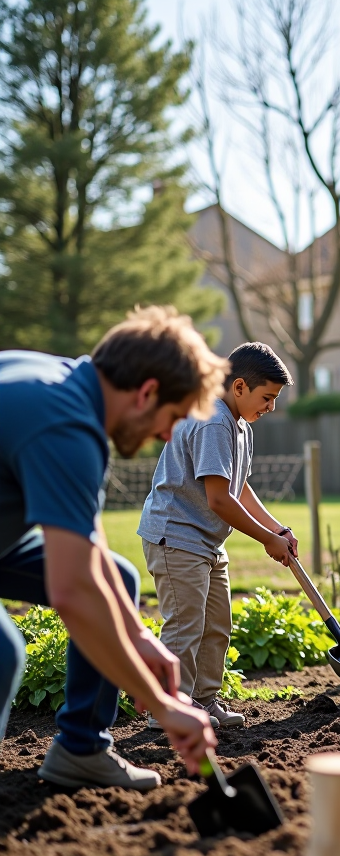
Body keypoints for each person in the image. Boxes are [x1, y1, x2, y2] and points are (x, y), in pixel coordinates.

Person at [0, 306, 223, 790]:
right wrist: (163, 707)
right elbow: (73, 592)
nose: (166, 436)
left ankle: (82, 749)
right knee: (1, 650)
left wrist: (139, 637)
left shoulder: (65, 386)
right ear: (147, 393)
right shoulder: (67, 429)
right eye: (173, 419)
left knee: (116, 576)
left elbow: (91, 549)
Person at [138, 343, 298, 731]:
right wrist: (265, 539)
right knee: (185, 625)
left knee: (216, 625)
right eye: (267, 397)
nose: (271, 407)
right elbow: (219, 500)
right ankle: (170, 708)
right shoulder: (213, 420)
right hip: (176, 536)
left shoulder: (240, 424)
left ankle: (204, 701)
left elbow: (239, 487)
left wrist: (276, 528)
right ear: (239, 386)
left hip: (207, 541)